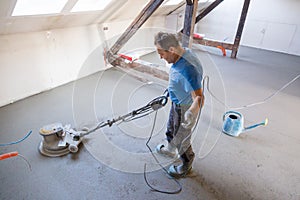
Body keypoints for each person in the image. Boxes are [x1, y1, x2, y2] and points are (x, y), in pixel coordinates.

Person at [154, 32, 204, 178]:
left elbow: (199, 97)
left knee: (182, 138)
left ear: (171, 50)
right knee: (171, 127)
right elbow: (178, 80)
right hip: (176, 102)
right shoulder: (184, 53)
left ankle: (186, 164)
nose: (160, 57)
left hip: (185, 108)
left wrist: (191, 113)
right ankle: (170, 148)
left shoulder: (188, 69)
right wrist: (169, 91)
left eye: (161, 53)